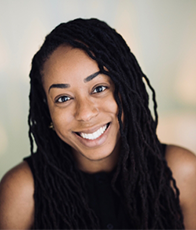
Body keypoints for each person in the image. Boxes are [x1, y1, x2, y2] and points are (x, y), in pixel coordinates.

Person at [0, 18, 196, 230]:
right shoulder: (21, 190)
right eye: (63, 98)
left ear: (126, 91)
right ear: (47, 112)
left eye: (99, 88)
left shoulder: (180, 171)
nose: (84, 113)